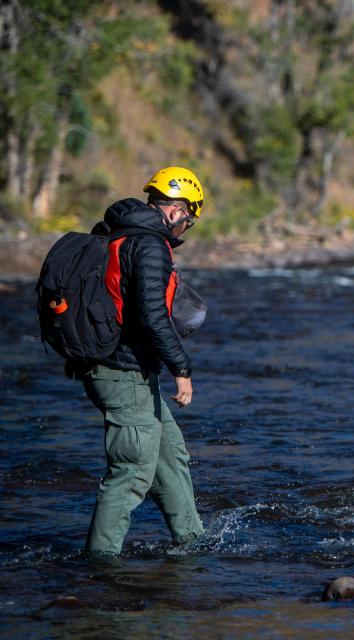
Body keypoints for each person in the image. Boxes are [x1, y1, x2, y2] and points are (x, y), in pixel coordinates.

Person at [77, 166, 205, 557]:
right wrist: (181, 370)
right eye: (189, 219)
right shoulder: (149, 244)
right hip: (121, 371)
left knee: (170, 455)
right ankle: (100, 565)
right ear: (178, 210)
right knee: (131, 471)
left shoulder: (119, 232)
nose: (186, 228)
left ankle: (192, 544)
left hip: (125, 369)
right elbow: (152, 315)